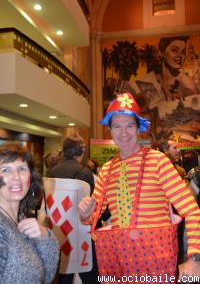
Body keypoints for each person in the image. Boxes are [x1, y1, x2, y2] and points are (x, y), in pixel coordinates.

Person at [78, 93, 200, 282]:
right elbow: (93, 218)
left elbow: (191, 210)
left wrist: (195, 258)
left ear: (138, 128)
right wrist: (86, 213)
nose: (124, 133)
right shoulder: (107, 170)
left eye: (129, 126)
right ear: (110, 130)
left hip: (158, 262)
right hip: (119, 262)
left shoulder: (158, 161)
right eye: (117, 126)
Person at [0, 142, 59, 283]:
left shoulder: (21, 218)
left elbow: (47, 274)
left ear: (31, 177)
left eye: (22, 169)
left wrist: (44, 234)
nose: (16, 177)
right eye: (6, 170)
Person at [49, 133, 99, 284]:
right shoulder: (84, 172)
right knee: (91, 274)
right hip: (81, 232)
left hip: (59, 231)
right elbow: (92, 204)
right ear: (82, 151)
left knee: (64, 272)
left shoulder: (53, 171)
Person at [136, 36, 198, 109]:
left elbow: (195, 114)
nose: (180, 55)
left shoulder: (187, 83)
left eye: (183, 52)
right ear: (162, 52)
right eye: (174, 50)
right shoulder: (148, 80)